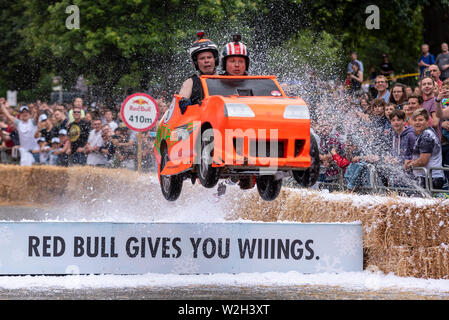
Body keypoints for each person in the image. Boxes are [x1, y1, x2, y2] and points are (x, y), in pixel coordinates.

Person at [404, 108, 445, 190]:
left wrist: (409, 165)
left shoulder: (426, 136)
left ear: (427, 121)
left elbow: (423, 161)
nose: (417, 122)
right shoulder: (425, 133)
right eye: (415, 120)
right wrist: (413, 161)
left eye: (420, 120)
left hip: (430, 179)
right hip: (427, 177)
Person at [178, 31, 219, 111]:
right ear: (196, 63)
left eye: (209, 57)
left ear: (215, 60)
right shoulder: (190, 82)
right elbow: (179, 104)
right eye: (202, 58)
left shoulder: (225, 79)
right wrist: (184, 102)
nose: (206, 61)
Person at [0, 99, 40, 165]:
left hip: (34, 152)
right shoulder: (19, 123)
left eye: (26, 111)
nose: (25, 113)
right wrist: (1, 105)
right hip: (24, 153)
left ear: (29, 113)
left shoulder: (32, 122)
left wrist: (37, 109)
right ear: (20, 114)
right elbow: (8, 115)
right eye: (23, 112)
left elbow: (37, 116)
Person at [420, 76, 442, 141]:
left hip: (433, 141)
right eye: (424, 84)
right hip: (424, 139)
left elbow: (435, 123)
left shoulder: (435, 101)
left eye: (429, 84)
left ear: (434, 87)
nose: (426, 86)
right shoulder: (423, 102)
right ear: (421, 88)